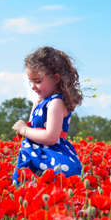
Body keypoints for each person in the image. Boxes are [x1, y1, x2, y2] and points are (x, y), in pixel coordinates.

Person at [12, 46, 83, 185]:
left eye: (37, 81)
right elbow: (34, 124)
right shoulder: (44, 102)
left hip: (49, 160)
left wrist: (24, 130)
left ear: (56, 78)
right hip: (37, 156)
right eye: (30, 81)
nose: (33, 86)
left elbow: (51, 137)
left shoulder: (56, 103)